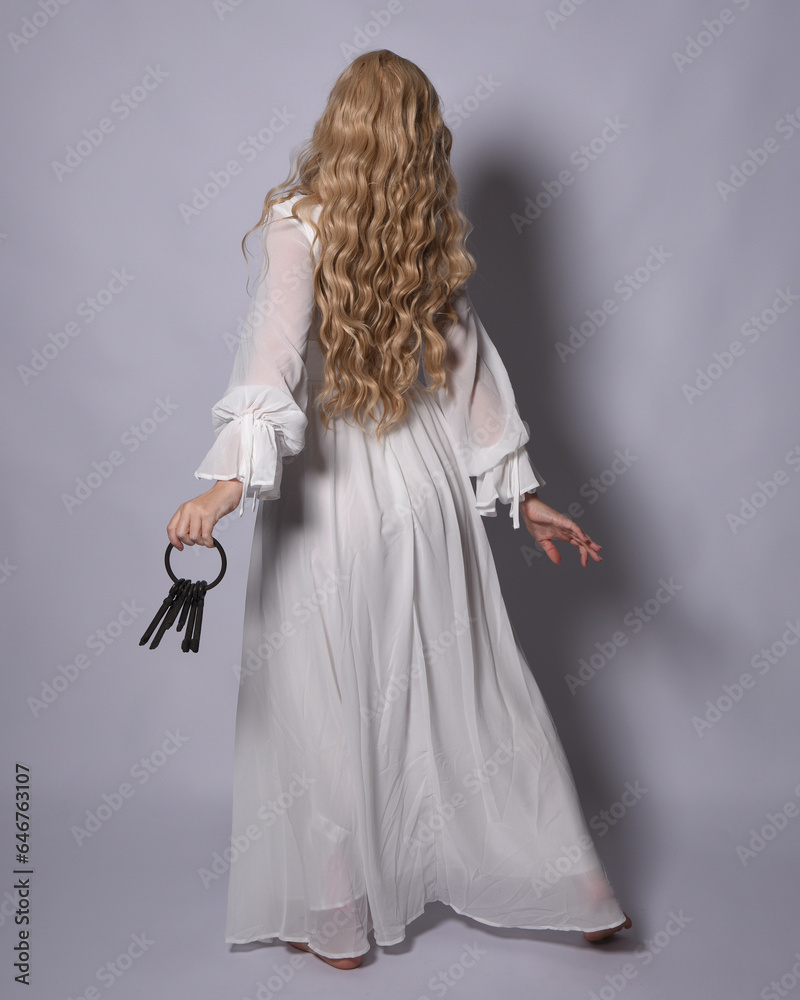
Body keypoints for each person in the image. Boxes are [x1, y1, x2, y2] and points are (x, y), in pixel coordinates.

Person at [167, 49, 631, 972]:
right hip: (425, 500)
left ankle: (339, 919)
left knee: (322, 699)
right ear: (425, 138)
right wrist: (525, 498)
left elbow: (273, 370)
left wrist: (224, 489)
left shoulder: (296, 226)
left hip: (330, 502)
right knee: (476, 695)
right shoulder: (427, 235)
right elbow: (471, 382)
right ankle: (580, 886)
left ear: (341, 124)